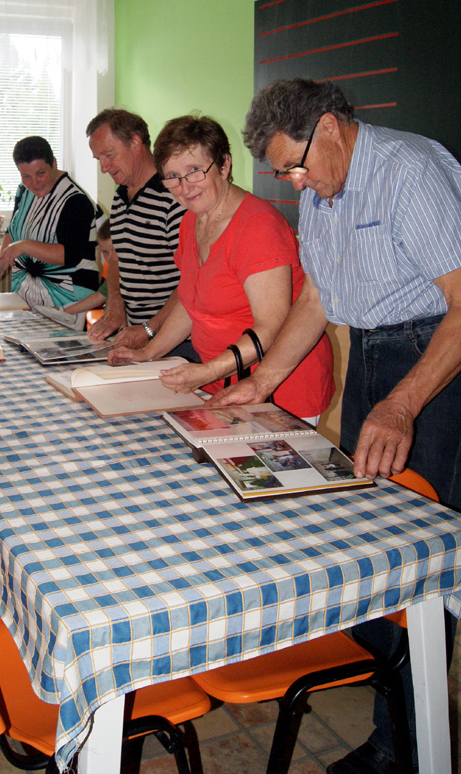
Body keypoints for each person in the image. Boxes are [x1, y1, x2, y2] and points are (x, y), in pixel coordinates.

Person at [216, 78, 461, 774]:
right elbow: (318, 298)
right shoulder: (322, 188)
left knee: (420, 561)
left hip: (435, 367)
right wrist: (262, 381)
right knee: (369, 542)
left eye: (296, 166)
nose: (296, 182)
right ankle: (394, 717)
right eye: (285, 174)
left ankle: (404, 748)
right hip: (376, 360)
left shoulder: (411, 172)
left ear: (329, 126)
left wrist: (403, 403)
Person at [108, 114, 334, 421]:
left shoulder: (258, 226)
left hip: (281, 389)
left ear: (224, 166)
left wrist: (207, 371)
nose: (184, 187)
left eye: (194, 171)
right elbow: (191, 305)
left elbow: (271, 326)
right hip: (221, 382)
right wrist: (148, 352)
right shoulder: (191, 221)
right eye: (172, 176)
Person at [86, 108, 198, 359]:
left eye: (109, 155)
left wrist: (150, 328)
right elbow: (118, 259)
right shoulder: (120, 197)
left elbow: (192, 278)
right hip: (137, 337)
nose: (104, 167)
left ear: (136, 143)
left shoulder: (173, 197)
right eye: (98, 159)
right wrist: (115, 301)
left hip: (177, 341)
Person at [0, 136, 99, 309]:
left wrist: (25, 246)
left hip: (68, 301)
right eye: (26, 176)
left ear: (54, 164)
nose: (34, 183)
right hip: (26, 296)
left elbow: (68, 256)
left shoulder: (75, 201)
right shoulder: (24, 191)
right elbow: (14, 231)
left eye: (41, 173)